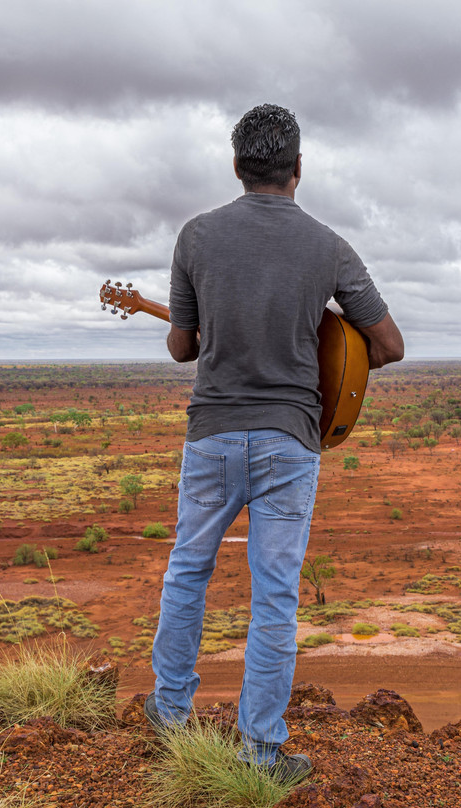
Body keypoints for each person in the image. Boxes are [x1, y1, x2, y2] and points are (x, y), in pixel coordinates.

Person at [147, 103, 404, 782]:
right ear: (298, 170)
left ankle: (169, 713)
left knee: (186, 572)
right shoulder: (329, 247)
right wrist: (334, 358)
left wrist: (207, 325)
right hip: (289, 442)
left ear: (237, 167)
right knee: (275, 597)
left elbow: (181, 348)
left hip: (211, 435)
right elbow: (390, 346)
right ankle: (260, 750)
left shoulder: (195, 236)